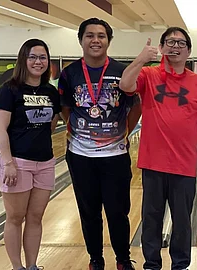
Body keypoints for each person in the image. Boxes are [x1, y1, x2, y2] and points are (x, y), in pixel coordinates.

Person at [119, 27, 197, 270]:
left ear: (189, 51)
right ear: (162, 48)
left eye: (181, 43)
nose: (175, 46)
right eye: (170, 42)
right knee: (151, 219)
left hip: (185, 165)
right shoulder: (148, 75)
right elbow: (124, 84)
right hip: (153, 163)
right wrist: (142, 58)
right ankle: (151, 265)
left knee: (183, 221)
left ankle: (180, 265)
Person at [58, 18, 141, 270]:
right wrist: (81, 132)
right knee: (89, 211)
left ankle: (123, 259)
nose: (96, 40)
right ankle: (96, 258)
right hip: (80, 155)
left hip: (114, 155)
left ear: (109, 41)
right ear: (81, 40)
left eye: (101, 36)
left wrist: (123, 131)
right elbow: (65, 109)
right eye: (90, 35)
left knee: (118, 212)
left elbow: (136, 105)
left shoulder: (122, 70)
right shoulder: (69, 74)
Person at [0, 38, 61, 270]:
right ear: (23, 59)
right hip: (16, 162)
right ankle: (17, 267)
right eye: (32, 57)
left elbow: (51, 125)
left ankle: (32, 265)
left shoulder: (51, 92)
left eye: (42, 57)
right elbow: (0, 129)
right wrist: (8, 162)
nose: (38, 62)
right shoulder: (9, 89)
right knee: (15, 217)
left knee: (35, 218)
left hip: (45, 162)